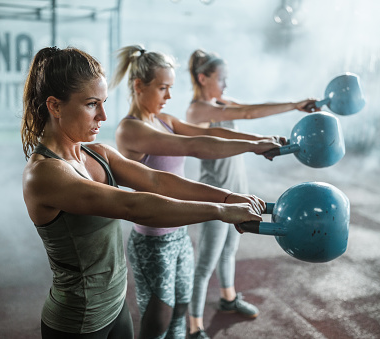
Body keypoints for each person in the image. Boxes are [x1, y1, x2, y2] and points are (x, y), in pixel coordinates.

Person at [21, 46, 268, 339]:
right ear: (55, 106)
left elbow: (157, 180)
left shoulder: (99, 153)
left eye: (103, 103)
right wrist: (220, 211)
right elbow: (132, 206)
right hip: (77, 322)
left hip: (115, 309)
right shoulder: (45, 173)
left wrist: (227, 197)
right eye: (91, 104)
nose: (102, 115)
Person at [109, 44, 285, 339]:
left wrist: (260, 140)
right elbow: (192, 146)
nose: (169, 96)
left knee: (181, 310)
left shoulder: (166, 121)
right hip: (154, 242)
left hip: (179, 233)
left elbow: (212, 132)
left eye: (171, 88)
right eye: (163, 88)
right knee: (158, 321)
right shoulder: (131, 130)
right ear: (139, 86)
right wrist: (254, 147)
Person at [185, 48, 319, 339]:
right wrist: (293, 107)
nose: (226, 86)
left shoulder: (220, 101)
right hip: (215, 195)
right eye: (222, 79)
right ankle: (194, 326)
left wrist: (273, 136)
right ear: (203, 78)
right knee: (206, 261)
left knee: (230, 249)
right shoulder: (197, 110)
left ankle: (228, 297)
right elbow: (245, 113)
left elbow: (253, 109)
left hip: (238, 192)